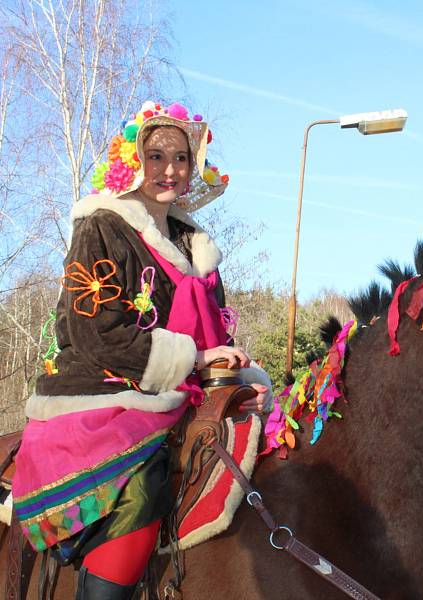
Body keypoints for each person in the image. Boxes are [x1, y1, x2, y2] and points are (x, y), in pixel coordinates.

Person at [11, 101, 272, 598]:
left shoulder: (196, 245)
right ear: (135, 160)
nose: (169, 170)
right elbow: (95, 335)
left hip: (181, 396)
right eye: (156, 156)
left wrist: (242, 380)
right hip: (99, 395)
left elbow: (216, 336)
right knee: (143, 484)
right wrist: (193, 361)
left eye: (181, 158)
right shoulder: (101, 227)